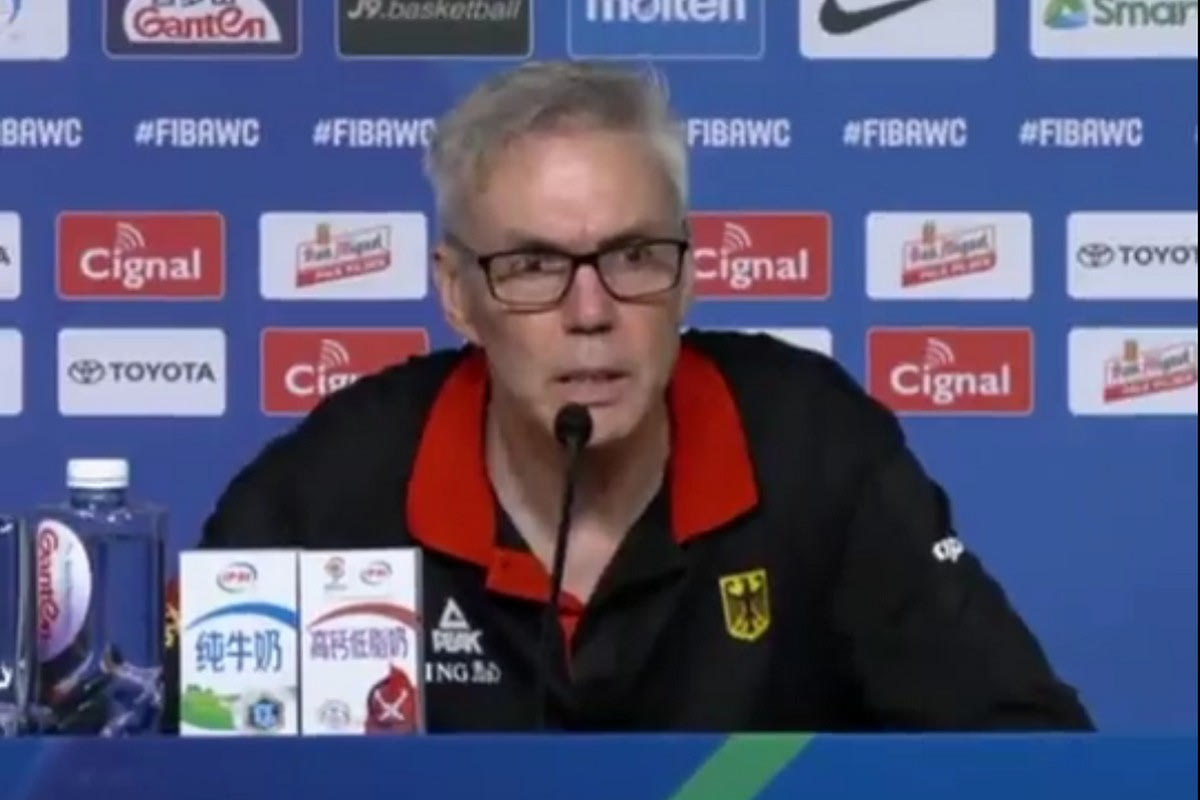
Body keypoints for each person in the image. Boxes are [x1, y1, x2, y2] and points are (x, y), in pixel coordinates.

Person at [166, 60, 1093, 732]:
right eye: (533, 266)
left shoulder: (813, 446)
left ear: (687, 278)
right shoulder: (337, 486)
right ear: (457, 294)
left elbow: (1023, 747)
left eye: (635, 255)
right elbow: (180, 763)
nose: (591, 312)